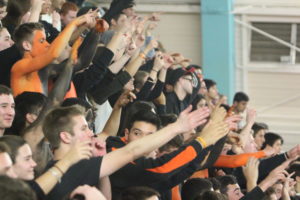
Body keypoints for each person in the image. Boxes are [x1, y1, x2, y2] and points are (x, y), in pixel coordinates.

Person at [42, 105, 211, 200]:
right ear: (65, 136)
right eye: (84, 128)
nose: (91, 133)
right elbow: (131, 152)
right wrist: (178, 128)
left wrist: (101, 162)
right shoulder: (68, 171)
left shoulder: (78, 166)